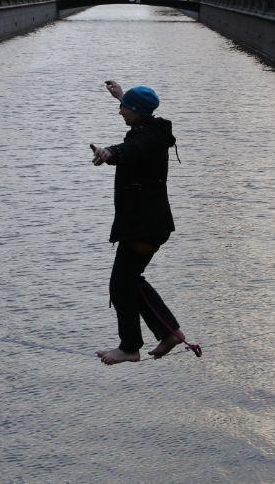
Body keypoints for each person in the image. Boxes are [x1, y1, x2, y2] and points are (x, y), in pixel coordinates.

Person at [90, 80, 196, 365]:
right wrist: (122, 96)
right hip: (148, 224)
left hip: (143, 228)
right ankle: (168, 333)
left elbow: (132, 149)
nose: (120, 111)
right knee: (129, 281)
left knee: (121, 284)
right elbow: (139, 124)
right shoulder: (151, 127)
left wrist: (109, 153)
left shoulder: (146, 140)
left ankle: (130, 347)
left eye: (124, 108)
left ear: (137, 111)